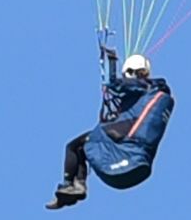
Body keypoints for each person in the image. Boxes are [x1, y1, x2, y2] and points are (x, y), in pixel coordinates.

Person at [47, 45, 175, 210]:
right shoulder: (152, 92)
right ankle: (76, 187)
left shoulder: (143, 86)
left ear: (131, 71)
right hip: (136, 161)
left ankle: (71, 185)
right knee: (81, 147)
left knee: (73, 146)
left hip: (124, 149)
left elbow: (113, 83)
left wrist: (112, 61)